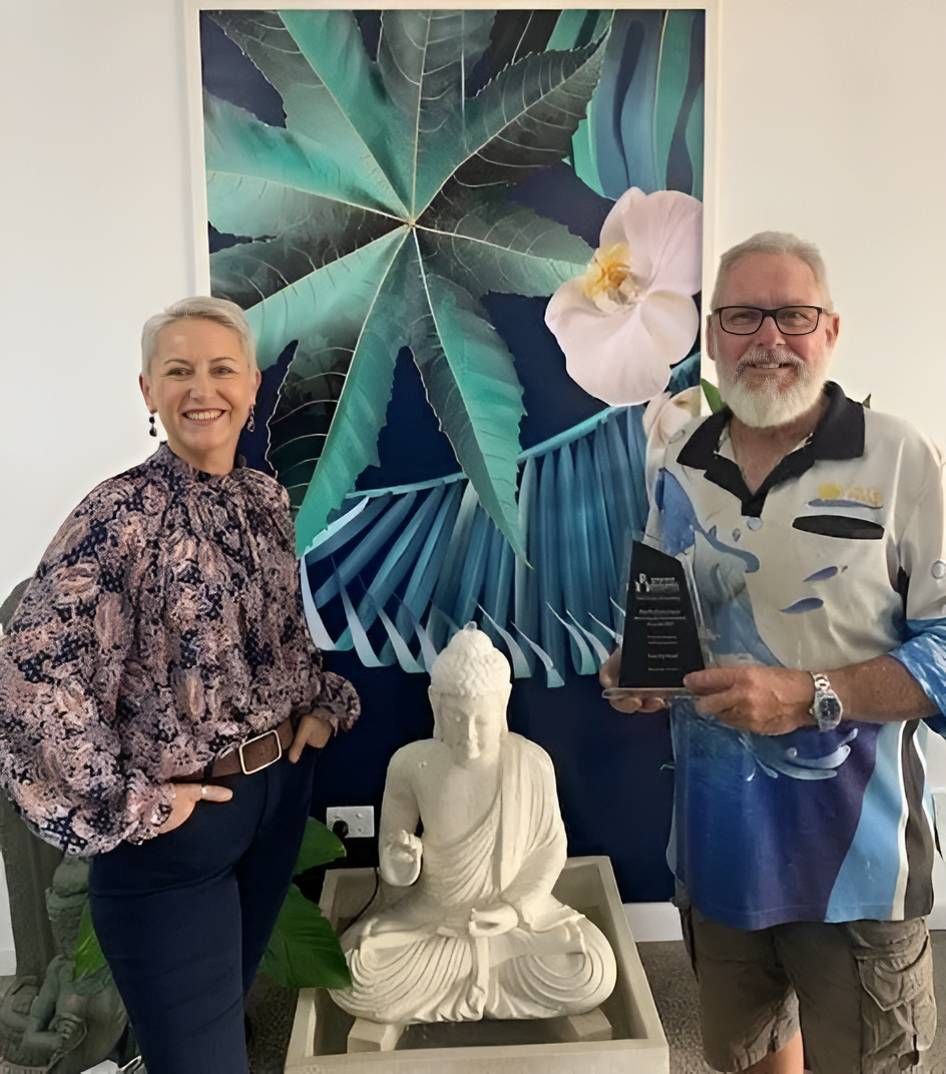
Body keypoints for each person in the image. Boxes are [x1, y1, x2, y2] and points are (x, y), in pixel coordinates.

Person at [601, 232, 946, 1074]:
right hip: (718, 855)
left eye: (792, 315)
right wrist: (643, 673)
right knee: (751, 1059)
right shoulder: (677, 463)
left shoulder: (898, 458)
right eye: (743, 316)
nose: (769, 338)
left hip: (855, 870)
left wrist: (811, 694)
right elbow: (671, 616)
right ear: (714, 337)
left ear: (830, 329)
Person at [0, 296, 360, 1074]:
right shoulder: (116, 515)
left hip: (272, 803)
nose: (204, 389)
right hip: (174, 832)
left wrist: (318, 711)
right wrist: (127, 801)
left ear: (252, 385)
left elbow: (281, 640)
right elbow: (32, 674)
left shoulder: (265, 501)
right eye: (179, 371)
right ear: (148, 392)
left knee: (216, 1034)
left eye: (221, 369)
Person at [332, 624, 615, 1026]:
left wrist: (514, 911)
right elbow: (394, 874)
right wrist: (402, 857)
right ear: (436, 704)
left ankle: (478, 972)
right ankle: (486, 976)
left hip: (511, 925)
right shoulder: (411, 764)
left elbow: (550, 850)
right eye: (456, 719)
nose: (469, 737)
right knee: (353, 973)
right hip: (435, 919)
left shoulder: (530, 763)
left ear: (502, 705)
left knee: (594, 970)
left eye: (480, 722)